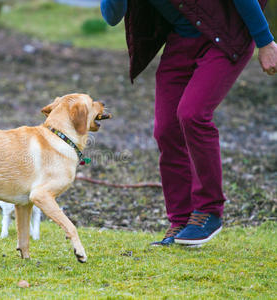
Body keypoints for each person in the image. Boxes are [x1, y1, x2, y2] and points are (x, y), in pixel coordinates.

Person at [100, 0, 276, 246]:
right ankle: (181, 220)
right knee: (166, 130)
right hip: (181, 42)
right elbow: (111, 16)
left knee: (192, 114)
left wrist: (265, 41)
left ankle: (209, 211)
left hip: (225, 37)